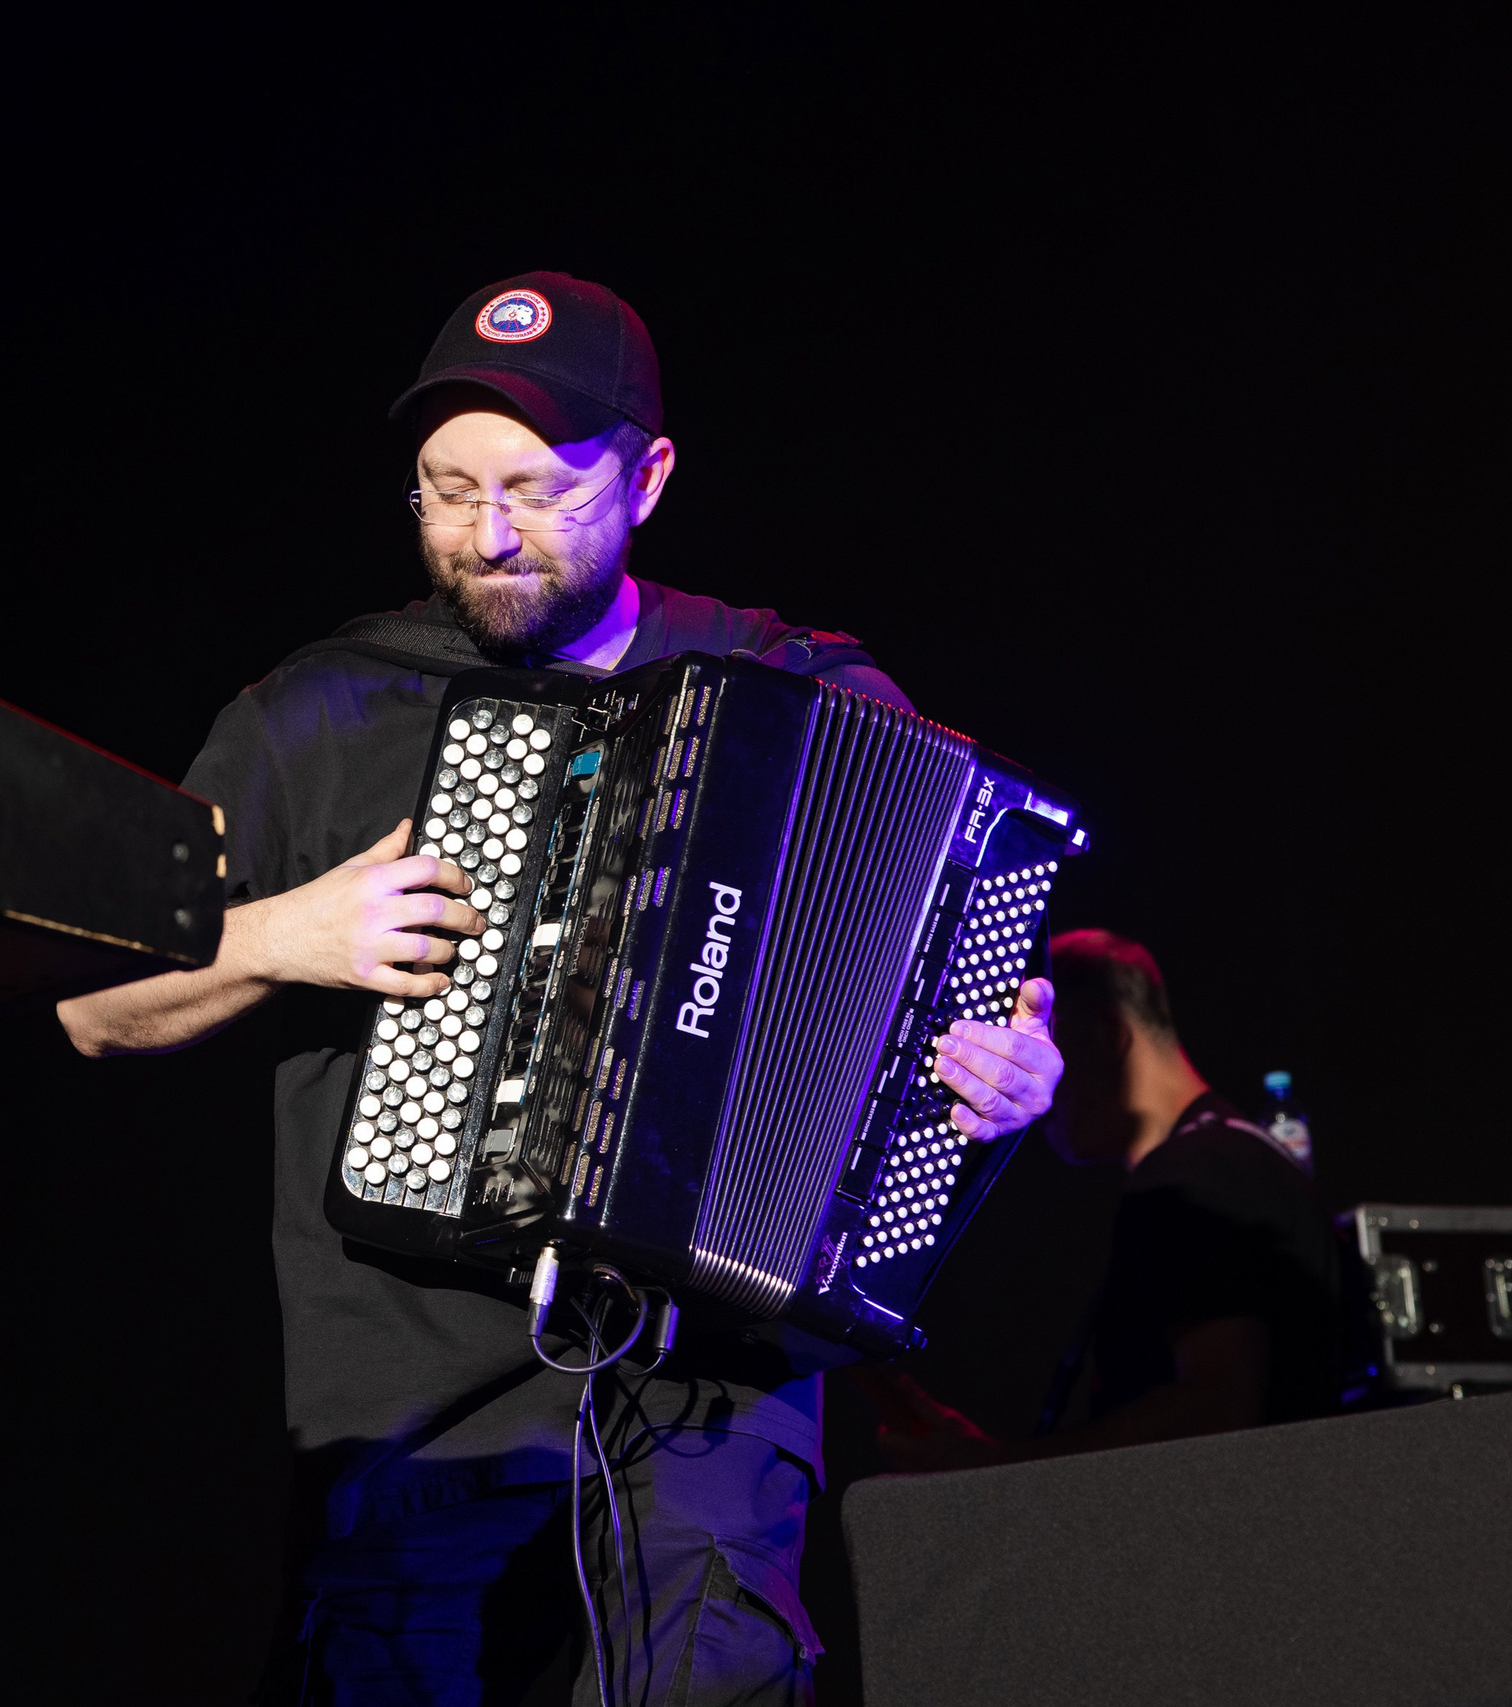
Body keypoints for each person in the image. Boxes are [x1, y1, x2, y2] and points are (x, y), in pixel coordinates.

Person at [57, 273, 1064, 1705]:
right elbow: (87, 1002)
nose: (486, 535)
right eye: (446, 491)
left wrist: (1005, 1085)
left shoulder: (799, 691)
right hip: (409, 1397)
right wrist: (290, 933)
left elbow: (939, 1021)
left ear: (647, 478)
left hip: (711, 1381)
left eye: (535, 490)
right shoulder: (313, 711)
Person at [862, 929, 1352, 1473]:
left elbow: (1220, 1405)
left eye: (1045, 1041)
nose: (1034, 1079)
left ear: (1104, 1035)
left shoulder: (1187, 1177)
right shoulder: (1248, 1156)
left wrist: (995, 1468)